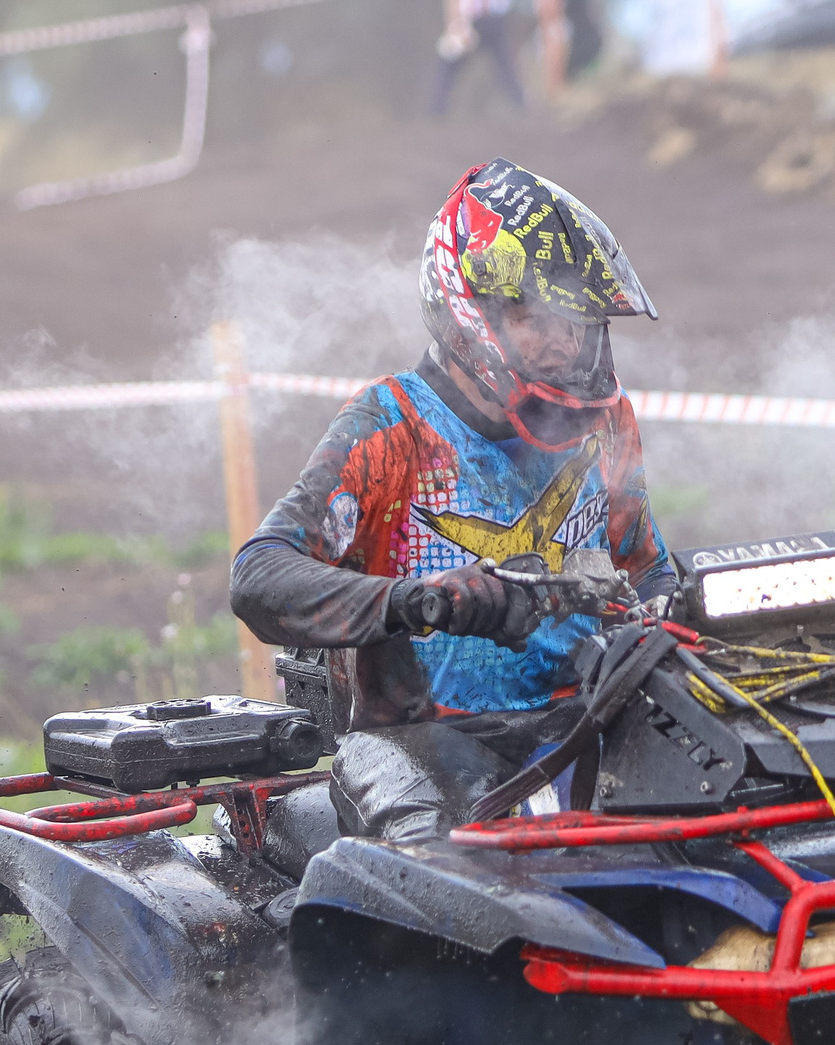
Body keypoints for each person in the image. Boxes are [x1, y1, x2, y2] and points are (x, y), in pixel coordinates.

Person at [230, 159, 672, 840]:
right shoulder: (390, 427)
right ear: (470, 310)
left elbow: (647, 571)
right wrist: (421, 599)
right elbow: (258, 576)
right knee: (447, 883)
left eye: (578, 317)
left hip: (580, 723)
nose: (564, 338)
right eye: (537, 314)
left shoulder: (604, 423)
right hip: (417, 746)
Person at [429, 0, 528, 115]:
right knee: (449, 63)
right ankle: (437, 110)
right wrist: (457, 25)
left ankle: (520, 105)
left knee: (504, 65)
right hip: (469, 21)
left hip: (494, 20)